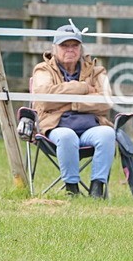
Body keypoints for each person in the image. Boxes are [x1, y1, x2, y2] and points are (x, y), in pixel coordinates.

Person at [32, 23, 116, 199]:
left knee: (107, 133)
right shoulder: (43, 69)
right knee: (66, 136)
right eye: (64, 45)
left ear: (80, 48)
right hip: (56, 129)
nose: (70, 49)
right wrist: (83, 87)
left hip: (90, 128)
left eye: (74, 45)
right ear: (54, 49)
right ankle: (72, 189)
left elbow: (107, 101)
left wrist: (72, 105)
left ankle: (97, 189)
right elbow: (45, 99)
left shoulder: (97, 70)